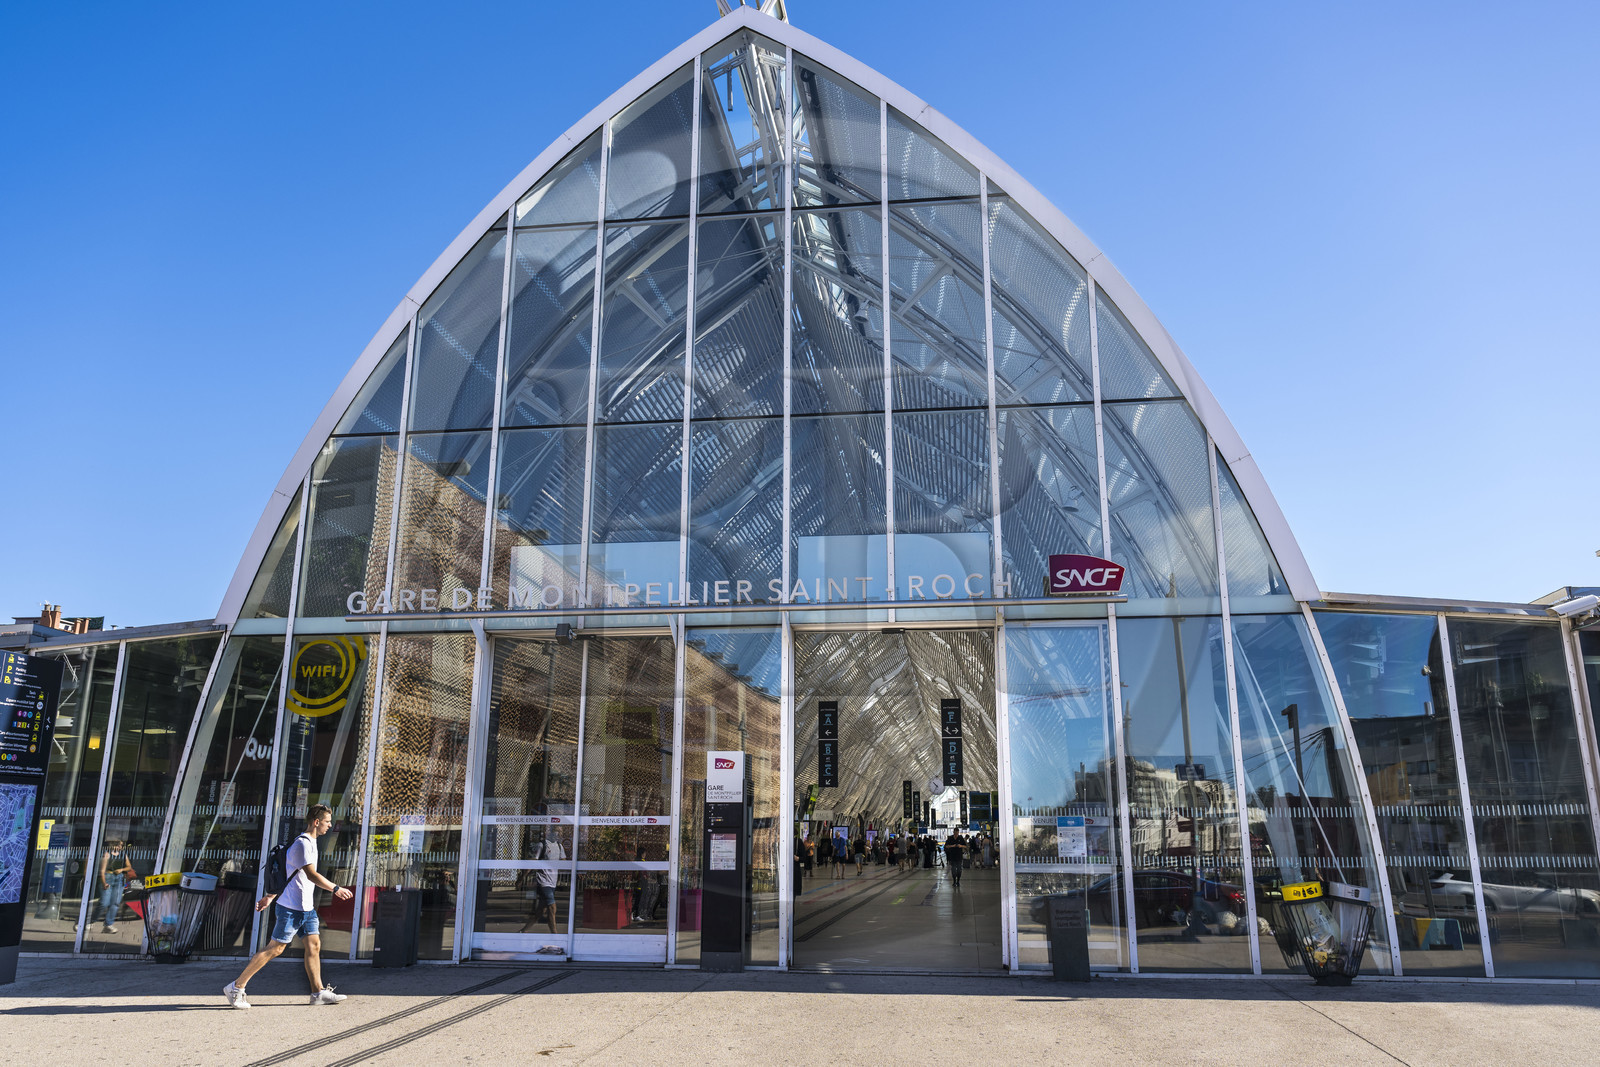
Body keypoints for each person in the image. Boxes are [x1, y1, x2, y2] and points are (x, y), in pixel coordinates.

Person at [223, 805, 353, 1009]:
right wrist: (335, 888)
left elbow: (290, 875)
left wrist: (269, 896)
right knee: (275, 949)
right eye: (327, 821)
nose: (330, 825)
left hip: (306, 909)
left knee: (314, 946)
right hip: (291, 909)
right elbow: (310, 875)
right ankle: (236, 988)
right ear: (316, 822)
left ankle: (318, 992)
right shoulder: (302, 844)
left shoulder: (310, 843)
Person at [520, 829, 564, 936]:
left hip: (552, 882)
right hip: (543, 882)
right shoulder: (542, 845)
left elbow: (564, 862)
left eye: (560, 832)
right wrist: (522, 878)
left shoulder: (559, 847)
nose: (558, 833)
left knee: (540, 911)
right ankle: (555, 935)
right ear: (551, 832)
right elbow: (533, 861)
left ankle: (523, 931)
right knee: (552, 908)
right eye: (557, 831)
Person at [96, 838, 135, 934]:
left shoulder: (123, 854)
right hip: (108, 877)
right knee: (104, 902)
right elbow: (102, 871)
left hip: (119, 878)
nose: (120, 847)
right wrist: (104, 882)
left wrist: (121, 870)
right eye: (119, 845)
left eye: (121, 845)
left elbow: (129, 866)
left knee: (115, 903)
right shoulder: (107, 854)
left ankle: (108, 924)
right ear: (113, 845)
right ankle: (89, 920)